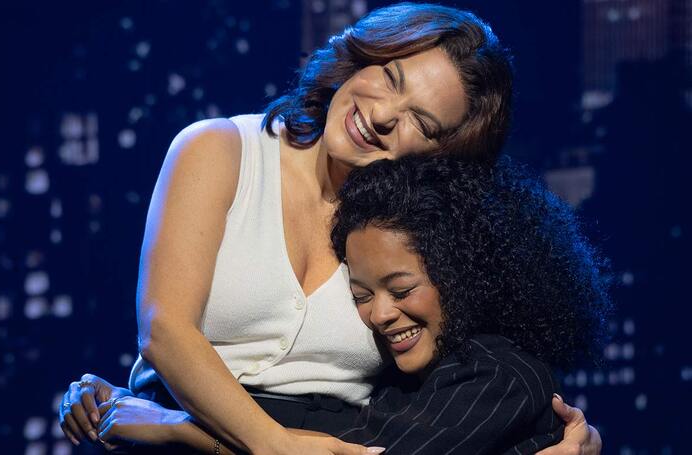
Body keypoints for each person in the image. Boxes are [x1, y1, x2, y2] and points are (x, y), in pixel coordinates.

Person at [59, 3, 602, 454]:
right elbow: (165, 332)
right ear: (360, 58)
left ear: (441, 156)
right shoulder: (220, 150)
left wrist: (566, 438)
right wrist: (270, 444)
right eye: (390, 78)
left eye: (422, 121)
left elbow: (491, 370)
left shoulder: (421, 232)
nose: (386, 114)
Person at [84, 154, 611, 454]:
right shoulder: (409, 374)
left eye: (401, 290)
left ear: (462, 274)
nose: (379, 314)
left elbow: (345, 452)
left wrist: (169, 425)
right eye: (361, 295)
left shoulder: (498, 375)